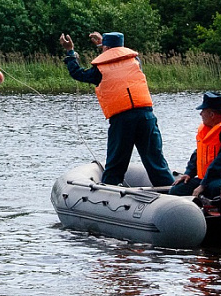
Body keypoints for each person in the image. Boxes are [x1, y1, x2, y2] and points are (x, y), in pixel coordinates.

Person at [59, 30, 174, 187]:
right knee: (156, 161)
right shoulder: (136, 61)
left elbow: (79, 74)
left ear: (105, 48)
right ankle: (173, 194)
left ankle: (108, 194)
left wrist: (70, 52)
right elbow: (116, 55)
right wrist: (103, 44)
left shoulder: (99, 70)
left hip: (122, 120)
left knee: (115, 164)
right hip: (147, 117)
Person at [169, 92, 221, 198]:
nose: (200, 114)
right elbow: (198, 153)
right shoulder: (208, 130)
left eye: (203, 111)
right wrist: (189, 173)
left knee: (211, 188)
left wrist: (203, 184)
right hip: (208, 178)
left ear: (212, 115)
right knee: (177, 190)